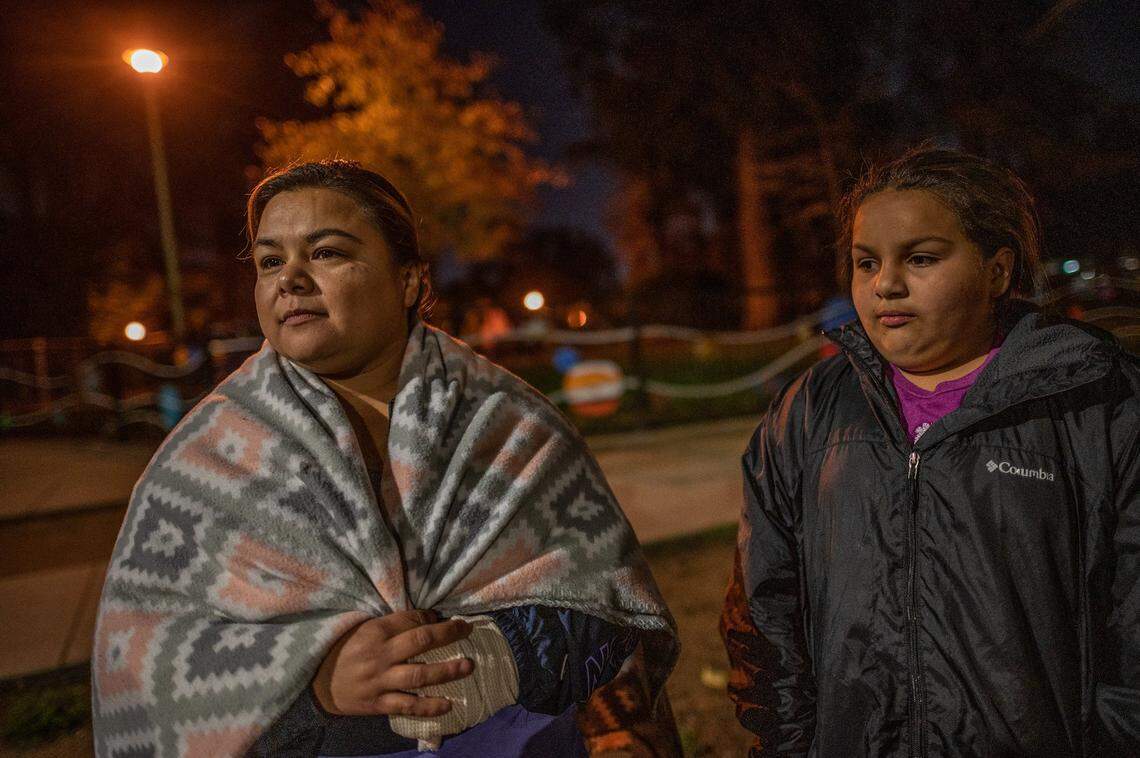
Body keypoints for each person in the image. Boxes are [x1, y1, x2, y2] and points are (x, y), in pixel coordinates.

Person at [92, 160, 678, 757]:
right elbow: (141, 672)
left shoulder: (512, 426)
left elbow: (616, 616)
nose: (289, 279)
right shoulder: (201, 464)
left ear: (409, 282)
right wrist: (314, 685)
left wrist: (504, 657)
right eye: (269, 261)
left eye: (326, 252)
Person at [720, 147, 1140, 756]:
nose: (885, 284)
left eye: (920, 258)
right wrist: (790, 742)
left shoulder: (1096, 402)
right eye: (866, 262)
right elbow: (764, 608)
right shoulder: (810, 410)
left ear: (997, 271)